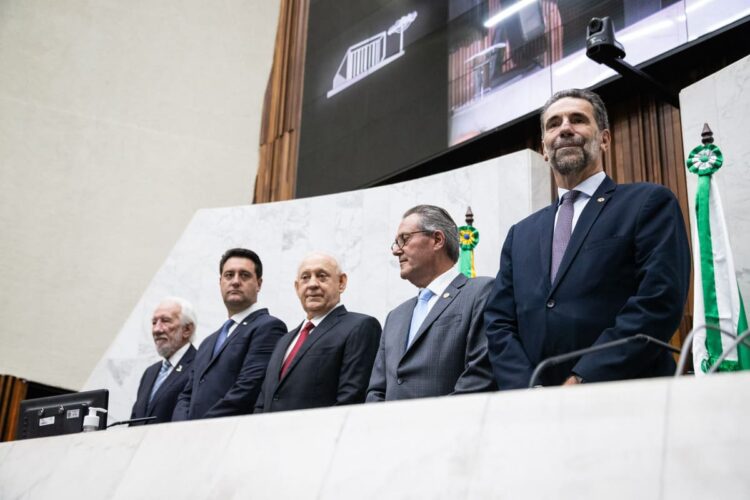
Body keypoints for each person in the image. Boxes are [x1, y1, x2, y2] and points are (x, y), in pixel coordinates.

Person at [483, 88, 691, 390]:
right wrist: (527, 389)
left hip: (629, 395)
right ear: (544, 148)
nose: (565, 128)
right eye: (554, 124)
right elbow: (499, 322)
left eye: (578, 120)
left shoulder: (648, 202)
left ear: (604, 139)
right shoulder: (521, 234)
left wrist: (585, 377)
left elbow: (658, 300)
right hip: (535, 408)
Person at [366, 205, 496, 402]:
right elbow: (376, 390)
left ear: (437, 240)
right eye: (396, 242)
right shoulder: (396, 316)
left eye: (405, 239)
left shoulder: (480, 292)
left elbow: (480, 375)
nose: (396, 251)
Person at [255, 253, 381, 413]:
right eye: (305, 278)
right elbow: (263, 401)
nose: (312, 284)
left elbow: (351, 400)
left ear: (341, 283)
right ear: (297, 287)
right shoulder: (284, 341)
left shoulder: (360, 326)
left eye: (322, 276)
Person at [172, 248, 286, 420]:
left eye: (244, 275)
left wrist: (202, 426)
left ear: (259, 284)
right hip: (191, 438)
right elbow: (186, 395)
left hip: (232, 435)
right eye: (229, 275)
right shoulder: (207, 342)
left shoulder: (268, 327)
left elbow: (248, 388)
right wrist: (181, 427)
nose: (235, 281)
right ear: (220, 282)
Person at [130, 297, 197, 425]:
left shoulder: (200, 365)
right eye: (154, 322)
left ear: (187, 330)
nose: (157, 330)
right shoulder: (150, 373)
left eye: (165, 321)